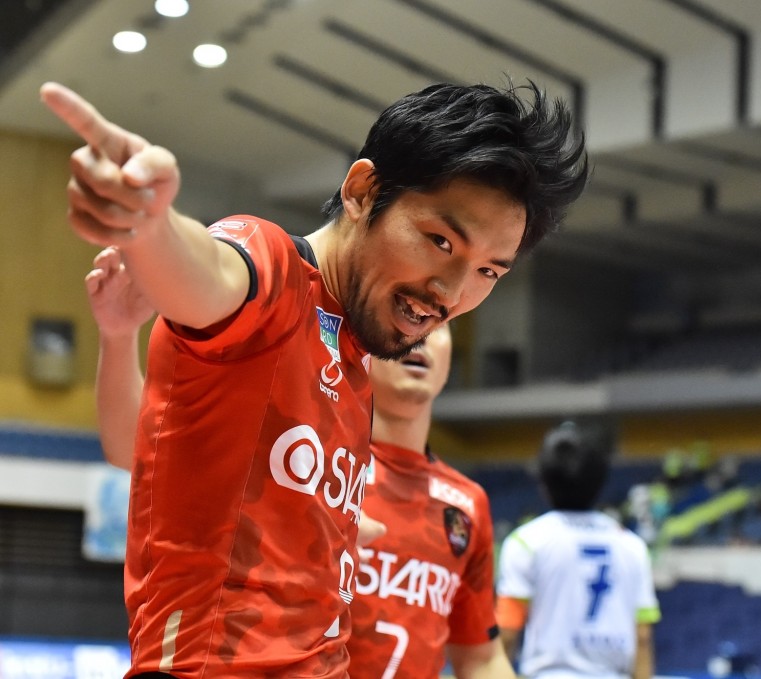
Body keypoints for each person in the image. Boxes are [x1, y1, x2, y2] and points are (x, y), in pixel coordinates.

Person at [46, 77, 587, 678]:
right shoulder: (272, 271)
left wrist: (329, 529)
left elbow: (149, 451)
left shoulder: (357, 355)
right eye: (440, 241)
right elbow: (210, 272)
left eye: (488, 271)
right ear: (362, 191)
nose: (452, 292)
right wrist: (151, 226)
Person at [86, 247, 513, 679]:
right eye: (407, 316)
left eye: (439, 326)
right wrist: (118, 337)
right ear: (366, 342)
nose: (422, 336)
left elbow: (480, 657)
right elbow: (140, 448)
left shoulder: (466, 504)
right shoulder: (304, 453)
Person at [495, 422, 661, 679]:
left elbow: (507, 632)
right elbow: (643, 638)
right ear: (601, 482)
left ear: (543, 482)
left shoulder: (526, 542)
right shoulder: (632, 545)